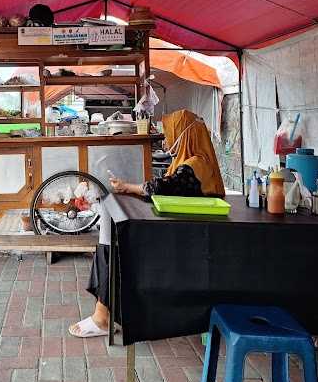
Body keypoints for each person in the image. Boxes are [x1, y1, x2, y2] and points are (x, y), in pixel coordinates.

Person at [69, 109, 225, 338]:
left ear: (185, 134)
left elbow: (160, 188)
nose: (168, 139)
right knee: (111, 239)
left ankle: (104, 316)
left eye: (171, 132)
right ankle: (106, 313)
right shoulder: (195, 161)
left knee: (114, 247)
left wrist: (126, 187)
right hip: (192, 231)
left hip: (188, 239)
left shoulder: (194, 164)